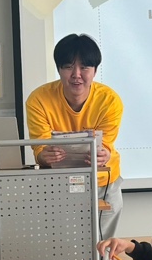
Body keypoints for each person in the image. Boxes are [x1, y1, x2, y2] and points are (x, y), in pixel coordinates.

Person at [25, 33, 124, 238]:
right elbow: (39, 147)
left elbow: (106, 144)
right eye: (68, 67)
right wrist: (44, 155)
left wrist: (103, 154)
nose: (76, 74)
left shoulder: (109, 100)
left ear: (95, 70)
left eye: (84, 67)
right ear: (59, 69)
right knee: (61, 243)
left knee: (102, 248)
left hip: (103, 183)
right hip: (57, 184)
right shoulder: (38, 99)